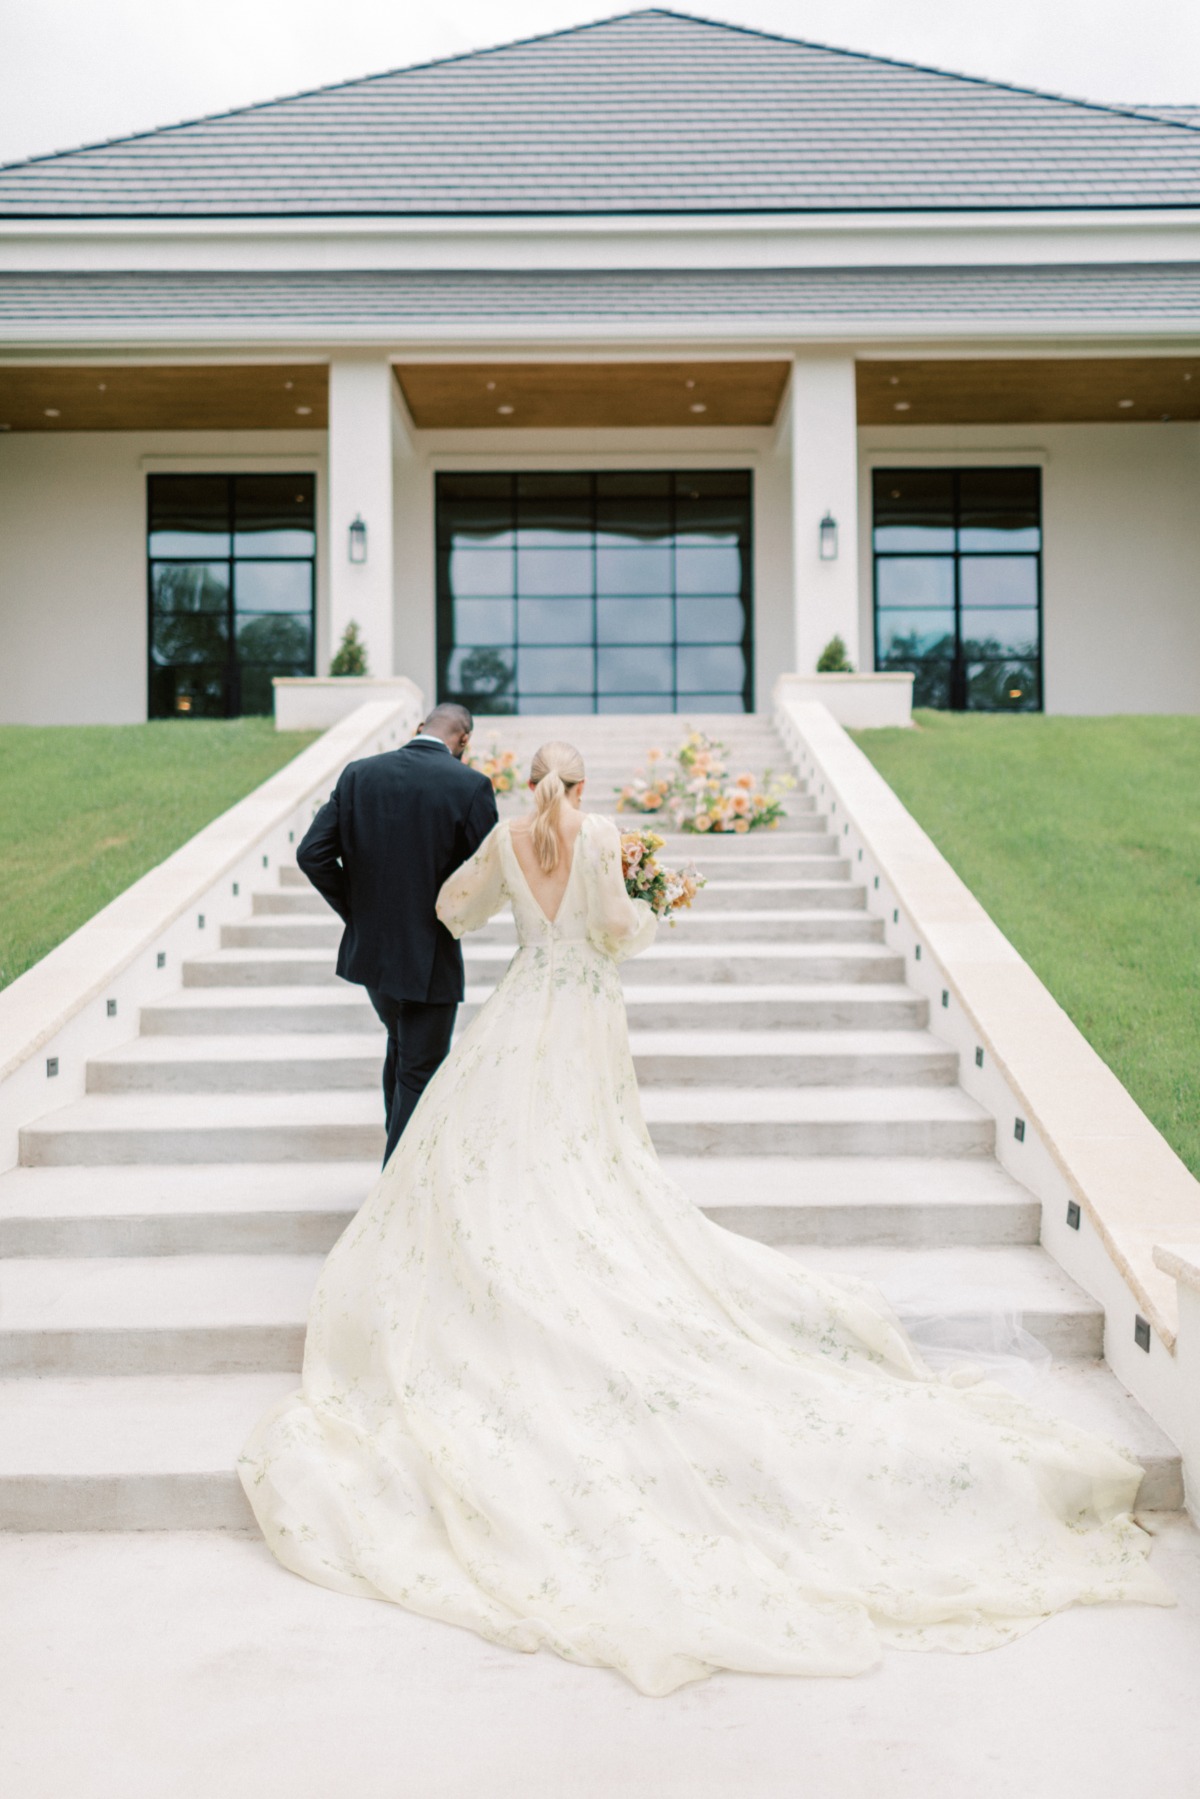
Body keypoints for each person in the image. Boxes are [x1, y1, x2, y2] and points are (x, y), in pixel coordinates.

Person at [241, 740, 1169, 1698]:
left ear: (528, 786)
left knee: (501, 1138)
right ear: (586, 786)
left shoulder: (510, 839)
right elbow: (613, 928)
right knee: (594, 1150)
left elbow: (450, 909)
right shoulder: (600, 835)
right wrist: (647, 912)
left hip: (523, 1004)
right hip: (587, 1008)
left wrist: (503, 902)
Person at [295, 701, 497, 1164]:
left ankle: (401, 1174)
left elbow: (313, 854)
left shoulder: (359, 774)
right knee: (420, 1070)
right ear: (464, 740)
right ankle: (397, 1190)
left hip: (373, 958)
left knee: (404, 1050)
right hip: (429, 956)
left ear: (419, 727)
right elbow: (486, 875)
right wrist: (456, 916)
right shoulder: (470, 785)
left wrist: (359, 913)